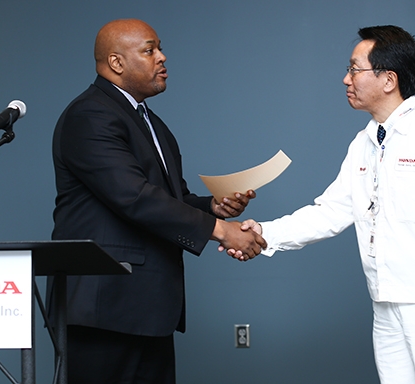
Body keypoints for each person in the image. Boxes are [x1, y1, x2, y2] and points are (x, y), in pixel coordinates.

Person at [238, 25, 415, 384]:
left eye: (354, 70)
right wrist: (265, 233)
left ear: (388, 79)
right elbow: (330, 212)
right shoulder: (363, 143)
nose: (346, 79)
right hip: (385, 305)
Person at [48, 18, 266, 384]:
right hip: (105, 305)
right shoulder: (90, 115)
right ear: (116, 63)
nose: (162, 57)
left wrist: (212, 207)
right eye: (150, 50)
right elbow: (134, 198)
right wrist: (221, 231)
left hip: (148, 306)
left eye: (159, 48)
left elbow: (169, 199)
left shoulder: (150, 122)